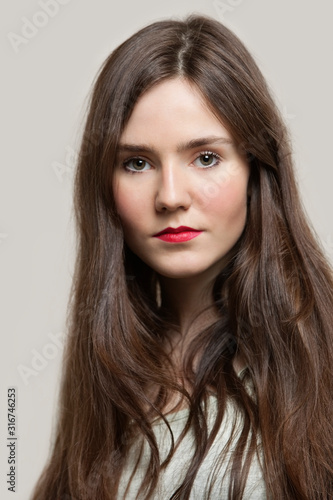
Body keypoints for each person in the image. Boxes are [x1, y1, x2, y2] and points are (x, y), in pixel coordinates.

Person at [31, 14, 333, 500]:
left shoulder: (321, 357)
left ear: (257, 168)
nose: (170, 196)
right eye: (137, 163)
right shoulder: (109, 369)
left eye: (206, 157)